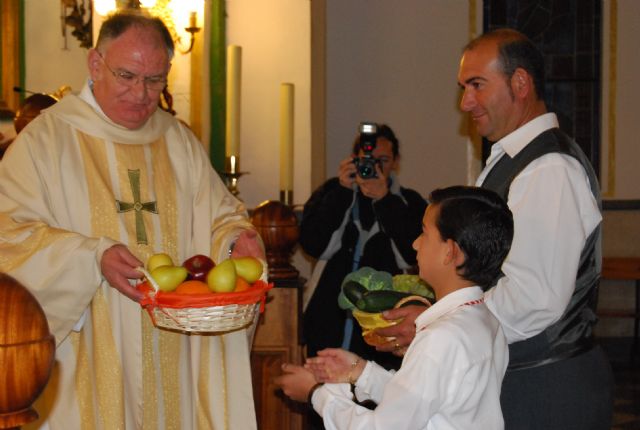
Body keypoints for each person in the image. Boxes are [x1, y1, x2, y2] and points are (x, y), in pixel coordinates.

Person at [0, 12, 263, 429]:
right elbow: (9, 236)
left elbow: (220, 215)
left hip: (174, 351)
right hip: (88, 351)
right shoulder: (45, 142)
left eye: (155, 80)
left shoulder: (178, 142)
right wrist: (91, 257)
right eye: (127, 75)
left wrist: (234, 242)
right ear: (95, 64)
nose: (141, 94)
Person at [377, 28, 613, 429]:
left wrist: (441, 325)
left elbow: (532, 299)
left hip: (545, 388)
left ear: (520, 82)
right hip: (524, 378)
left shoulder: (548, 169)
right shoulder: (515, 158)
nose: (465, 101)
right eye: (463, 87)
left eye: (477, 85)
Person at [275, 185, 514, 429]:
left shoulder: (441, 338)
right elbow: (420, 399)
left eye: (424, 234)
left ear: (450, 252)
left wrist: (316, 394)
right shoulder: (485, 318)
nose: (415, 244)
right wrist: (360, 372)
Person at [300, 123, 427, 370]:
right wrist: (342, 193)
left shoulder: (409, 202)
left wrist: (385, 200)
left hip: (384, 321)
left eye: (383, 160)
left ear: (396, 161)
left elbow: (412, 254)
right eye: (368, 159)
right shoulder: (333, 191)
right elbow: (313, 245)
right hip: (329, 315)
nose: (375, 167)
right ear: (354, 158)